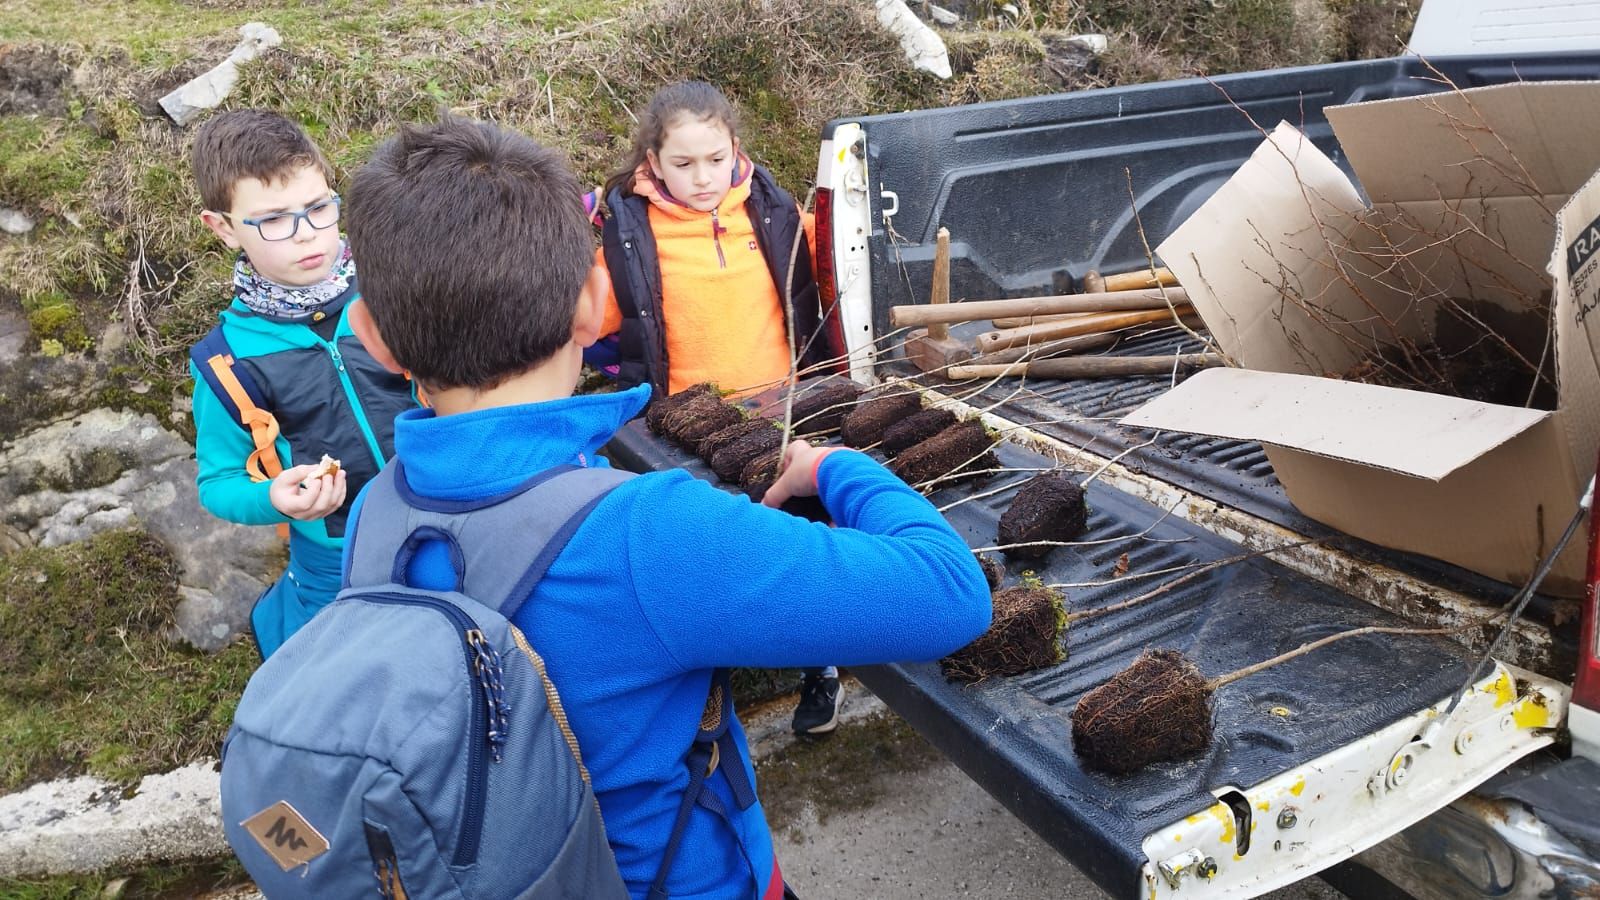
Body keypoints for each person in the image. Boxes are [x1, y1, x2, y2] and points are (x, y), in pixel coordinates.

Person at [341, 116, 990, 899]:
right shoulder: (648, 537)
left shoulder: (378, 512)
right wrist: (841, 468)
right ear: (592, 303)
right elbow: (950, 595)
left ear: (373, 337)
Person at [595, 81, 847, 735]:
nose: (702, 177)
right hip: (683, 430)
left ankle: (820, 666)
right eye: (682, 164)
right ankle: (709, 686)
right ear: (652, 159)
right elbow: (591, 313)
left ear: (734, 147)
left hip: (780, 414)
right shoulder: (626, 228)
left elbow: (827, 259)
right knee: (704, 557)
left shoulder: (771, 206)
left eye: (714, 158)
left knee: (798, 542)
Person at [187, 109, 419, 659]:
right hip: (331, 556)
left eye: (318, 208)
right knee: (337, 665)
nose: (307, 233)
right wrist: (274, 498)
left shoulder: (394, 289)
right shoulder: (225, 361)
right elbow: (218, 481)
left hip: (439, 514)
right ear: (222, 228)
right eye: (272, 220)